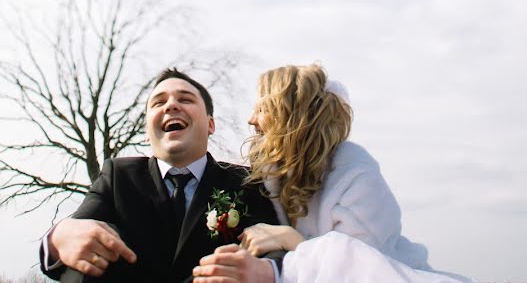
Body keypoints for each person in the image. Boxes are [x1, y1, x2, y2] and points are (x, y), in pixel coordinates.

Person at [193, 64, 470, 283]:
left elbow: (361, 269)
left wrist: (290, 239)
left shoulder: (356, 175)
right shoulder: (271, 175)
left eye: (263, 109)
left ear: (294, 117)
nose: (250, 120)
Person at [40, 68, 282, 283]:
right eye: (158, 102)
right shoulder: (117, 177)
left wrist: (265, 269)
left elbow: (274, 250)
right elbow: (80, 231)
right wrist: (56, 238)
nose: (171, 106)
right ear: (147, 131)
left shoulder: (246, 181)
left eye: (185, 99)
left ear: (210, 125)